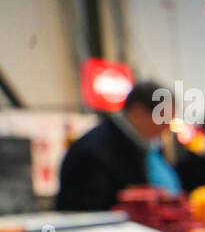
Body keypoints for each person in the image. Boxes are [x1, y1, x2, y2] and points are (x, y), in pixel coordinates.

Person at [55, 81, 182, 212]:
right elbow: (85, 215)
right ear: (138, 111)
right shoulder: (93, 151)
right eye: (163, 117)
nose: (167, 126)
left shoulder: (146, 148)